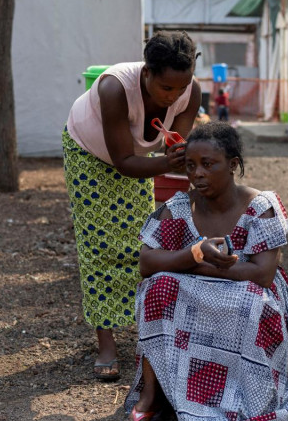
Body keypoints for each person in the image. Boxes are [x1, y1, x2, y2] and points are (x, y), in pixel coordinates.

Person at [116, 122, 288, 421]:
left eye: (208, 164)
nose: (197, 174)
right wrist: (196, 254)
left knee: (251, 303)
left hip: (248, 291)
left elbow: (262, 275)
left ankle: (246, 399)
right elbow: (146, 262)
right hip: (197, 288)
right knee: (156, 288)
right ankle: (151, 398)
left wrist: (192, 264)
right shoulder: (182, 206)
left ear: (233, 165)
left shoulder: (260, 207)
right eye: (190, 166)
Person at [64, 31, 202, 381]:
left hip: (140, 160)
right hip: (89, 155)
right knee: (99, 246)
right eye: (166, 88)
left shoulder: (190, 92)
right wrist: (167, 163)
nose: (174, 97)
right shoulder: (115, 89)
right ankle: (106, 342)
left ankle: (147, 328)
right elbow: (124, 162)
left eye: (181, 87)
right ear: (147, 72)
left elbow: (177, 145)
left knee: (143, 241)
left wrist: (181, 155)